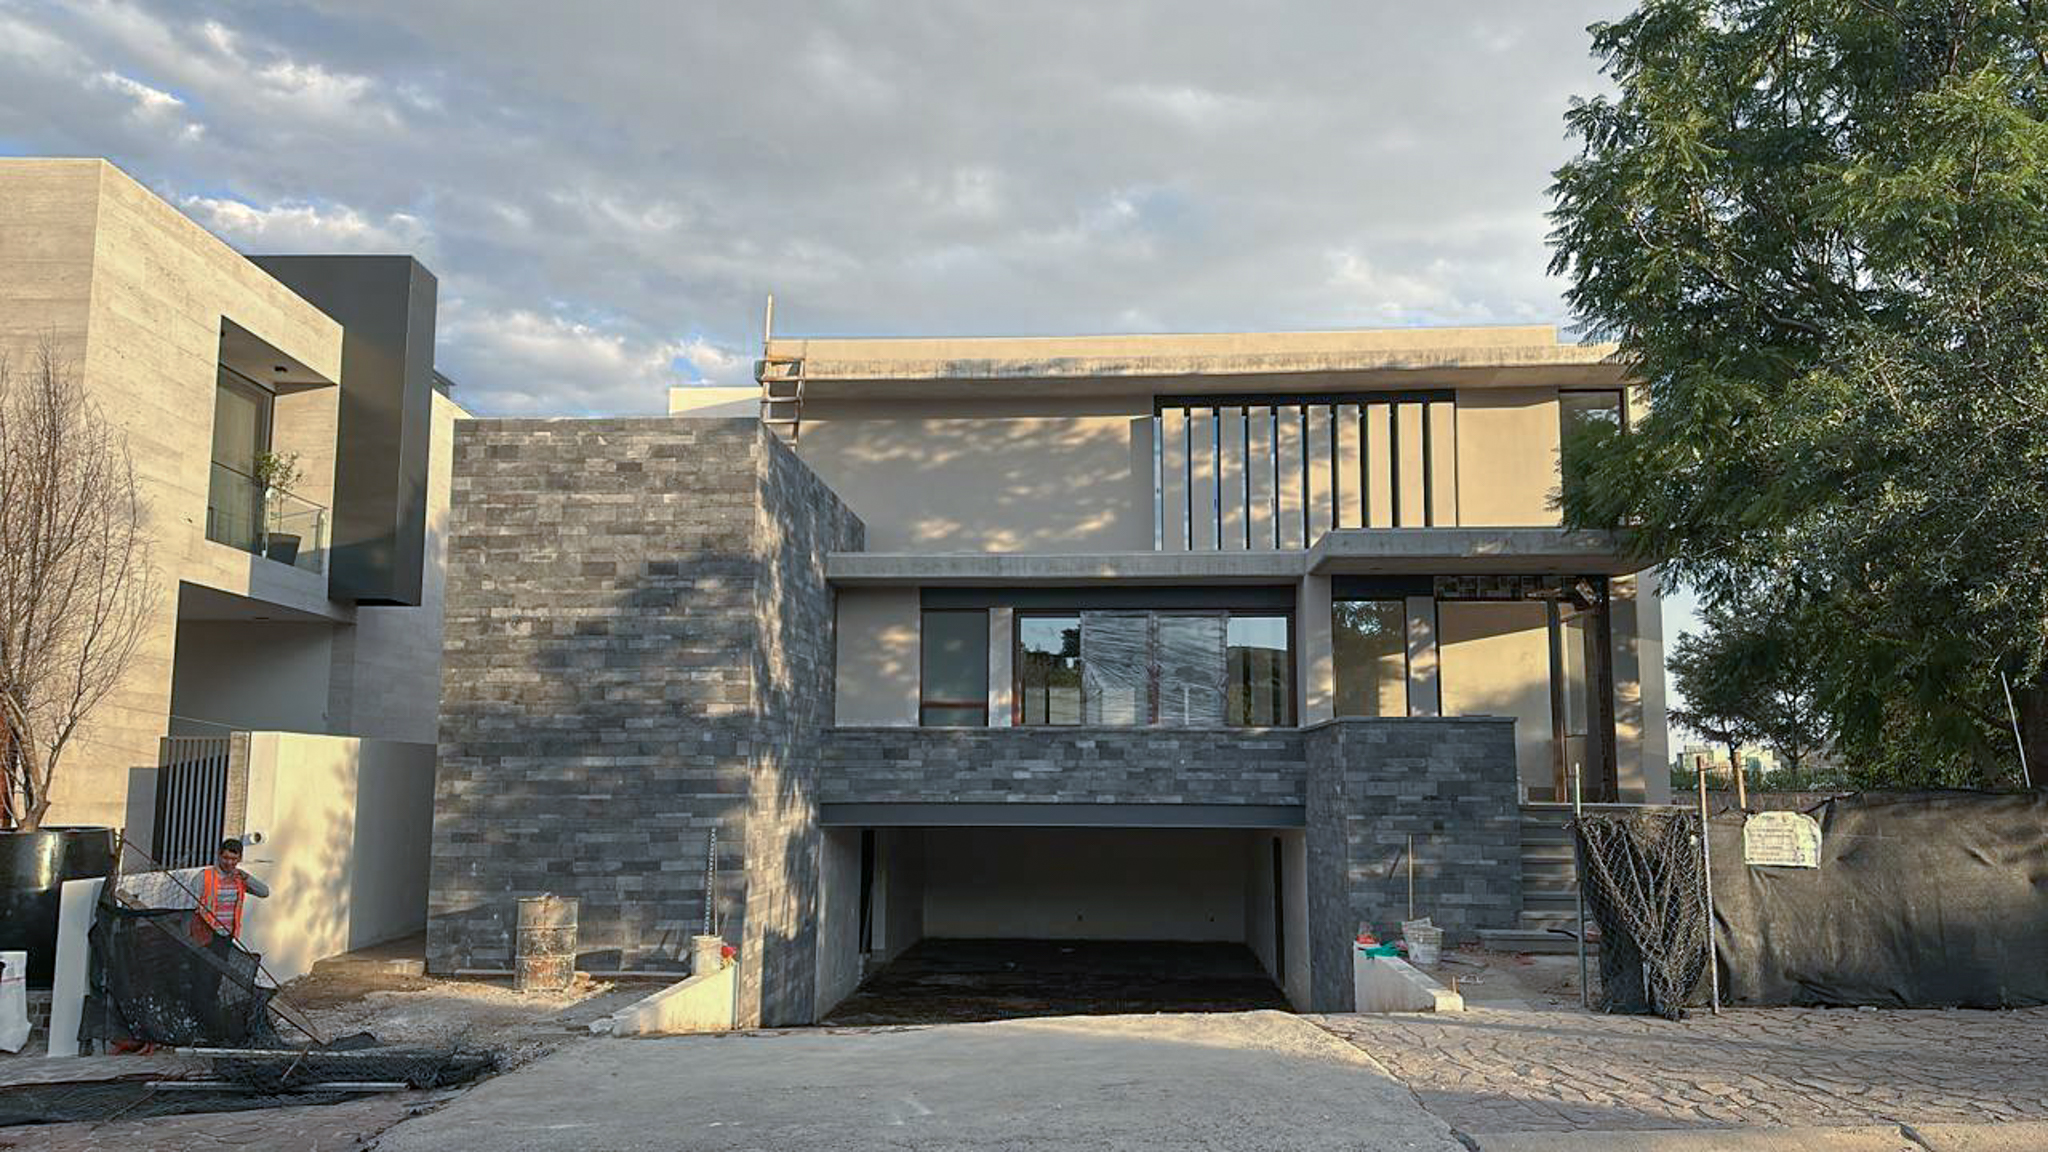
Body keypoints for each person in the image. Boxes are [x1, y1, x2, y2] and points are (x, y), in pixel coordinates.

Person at [189, 838, 268, 954]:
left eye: (234, 859)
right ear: (219, 856)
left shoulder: (240, 878)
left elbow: (264, 892)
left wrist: (246, 877)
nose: (229, 862)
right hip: (205, 935)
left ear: (240, 858)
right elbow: (189, 902)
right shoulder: (205, 876)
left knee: (218, 970)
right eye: (225, 858)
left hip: (227, 935)